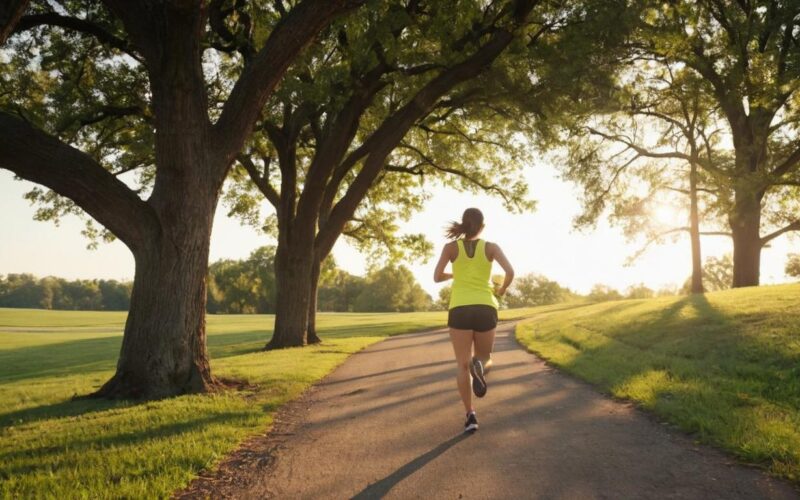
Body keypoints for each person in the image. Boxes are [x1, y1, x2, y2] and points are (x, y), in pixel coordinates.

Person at [433, 207, 514, 433]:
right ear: (482, 226)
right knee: (485, 357)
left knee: (461, 364)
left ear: (463, 224)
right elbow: (510, 271)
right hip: (485, 306)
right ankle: (480, 366)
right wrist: (502, 290)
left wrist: (455, 274)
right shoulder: (491, 247)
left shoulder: (450, 248)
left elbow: (436, 277)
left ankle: (470, 415)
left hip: (459, 308)